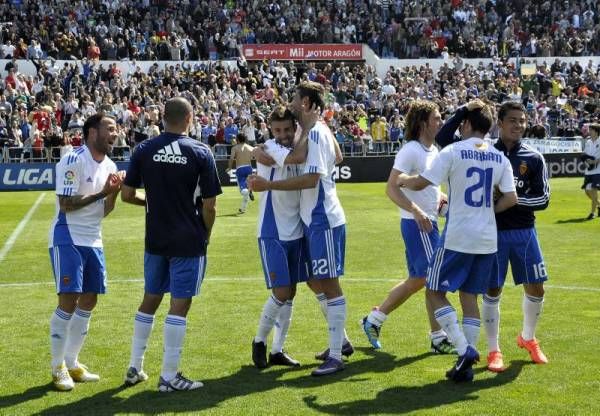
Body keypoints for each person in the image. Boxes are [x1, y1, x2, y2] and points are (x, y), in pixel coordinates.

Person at [398, 100, 517, 382]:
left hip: (457, 236)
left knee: (434, 290)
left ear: (465, 125)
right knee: (469, 296)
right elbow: (512, 198)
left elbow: (420, 183)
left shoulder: (452, 151)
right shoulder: (500, 157)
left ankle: (464, 349)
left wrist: (401, 179)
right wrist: (488, 212)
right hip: (487, 238)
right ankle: (467, 362)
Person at [121, 97, 222, 392]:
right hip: (188, 240)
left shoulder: (144, 149)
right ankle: (169, 375)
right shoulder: (201, 151)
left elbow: (127, 196)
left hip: (155, 238)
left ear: (163, 117)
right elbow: (210, 206)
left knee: (150, 298)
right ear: (190, 117)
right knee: (179, 305)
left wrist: (152, 203)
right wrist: (206, 234)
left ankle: (135, 366)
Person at [249, 81, 350, 376]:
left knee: (325, 285)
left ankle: (336, 351)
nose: (292, 101)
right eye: (276, 130)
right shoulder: (295, 139)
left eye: (295, 98)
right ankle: (268, 343)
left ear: (305, 104)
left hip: (320, 220)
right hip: (287, 229)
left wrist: (310, 128)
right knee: (298, 287)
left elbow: (310, 175)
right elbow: (336, 157)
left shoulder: (314, 133)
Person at [361, 100, 455, 354]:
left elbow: (429, 187)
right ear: (424, 122)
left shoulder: (433, 150)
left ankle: (433, 336)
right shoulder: (411, 150)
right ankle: (378, 321)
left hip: (429, 222)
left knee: (423, 279)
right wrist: (416, 211)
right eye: (436, 118)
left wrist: (440, 200)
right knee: (427, 279)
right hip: (417, 224)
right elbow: (391, 187)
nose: (440, 122)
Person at [48, 113, 123, 391]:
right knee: (69, 299)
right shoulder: (73, 159)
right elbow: (66, 203)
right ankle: (57, 367)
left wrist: (113, 192)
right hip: (67, 235)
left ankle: (72, 362)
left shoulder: (111, 164)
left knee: (89, 300)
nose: (115, 133)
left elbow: (104, 211)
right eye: (110, 128)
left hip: (93, 239)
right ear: (92, 132)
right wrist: (103, 192)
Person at [251, 105, 316, 369]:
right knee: (281, 291)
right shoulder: (268, 147)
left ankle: (278, 349)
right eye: (277, 130)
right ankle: (259, 341)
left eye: (288, 129)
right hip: (273, 229)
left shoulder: (302, 144)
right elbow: (295, 159)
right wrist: (258, 150)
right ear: (270, 130)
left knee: (291, 293)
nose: (283, 134)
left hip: (296, 228)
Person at [227, 133, 255, 214]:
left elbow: (231, 158)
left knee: (243, 191)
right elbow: (255, 156)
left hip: (240, 169)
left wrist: (229, 167)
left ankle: (248, 191)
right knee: (246, 190)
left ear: (238, 139)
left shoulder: (235, 148)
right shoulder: (250, 147)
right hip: (249, 168)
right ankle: (243, 209)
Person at [581, 123, 600, 220]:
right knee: (587, 191)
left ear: (596, 131)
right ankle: (599, 205)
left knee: (593, 191)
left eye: (591, 130)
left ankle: (592, 213)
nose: (589, 131)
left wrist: (594, 161)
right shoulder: (588, 142)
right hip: (588, 170)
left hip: (598, 171)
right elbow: (585, 153)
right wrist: (585, 160)